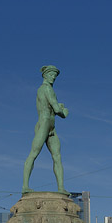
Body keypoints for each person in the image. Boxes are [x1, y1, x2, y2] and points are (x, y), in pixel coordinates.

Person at [22, 65, 69, 195]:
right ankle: (25, 186)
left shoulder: (47, 89)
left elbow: (53, 108)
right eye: (51, 74)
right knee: (34, 153)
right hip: (44, 123)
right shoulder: (46, 89)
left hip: (51, 126)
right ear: (45, 75)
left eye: (55, 75)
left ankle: (61, 188)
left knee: (57, 156)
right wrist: (64, 110)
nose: (53, 77)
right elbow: (57, 109)